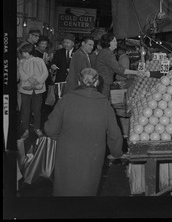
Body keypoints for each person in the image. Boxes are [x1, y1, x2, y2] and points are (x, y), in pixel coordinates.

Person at [44, 68, 124, 196]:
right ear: (97, 82)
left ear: (78, 81)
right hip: (92, 156)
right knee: (87, 191)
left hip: (66, 153)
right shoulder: (104, 104)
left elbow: (50, 128)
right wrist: (117, 153)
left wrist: (61, 139)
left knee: (64, 191)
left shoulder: (65, 100)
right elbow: (115, 135)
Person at [94, 33, 145, 98]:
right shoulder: (107, 53)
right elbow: (119, 69)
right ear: (108, 42)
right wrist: (136, 72)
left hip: (101, 82)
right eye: (114, 41)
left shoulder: (104, 52)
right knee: (103, 102)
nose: (116, 43)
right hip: (103, 84)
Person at [18, 44, 49, 139]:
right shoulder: (22, 61)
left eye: (25, 52)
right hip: (26, 89)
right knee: (25, 110)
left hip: (37, 90)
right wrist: (32, 80)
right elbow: (20, 72)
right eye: (23, 52)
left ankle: (37, 128)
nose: (23, 54)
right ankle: (26, 129)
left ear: (29, 51)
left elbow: (45, 73)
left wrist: (37, 81)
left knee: (37, 110)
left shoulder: (39, 60)